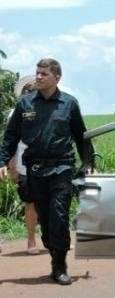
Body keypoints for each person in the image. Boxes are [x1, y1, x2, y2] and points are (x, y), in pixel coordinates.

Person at [0, 58, 93, 285]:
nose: (39, 77)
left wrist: (88, 162)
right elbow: (11, 136)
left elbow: (81, 136)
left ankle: (59, 266)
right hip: (35, 169)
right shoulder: (25, 104)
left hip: (62, 167)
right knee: (46, 220)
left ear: (57, 77)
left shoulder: (69, 104)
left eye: (44, 74)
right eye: (37, 73)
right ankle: (54, 251)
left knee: (59, 216)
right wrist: (2, 161)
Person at [6, 76, 39, 255]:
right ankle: (31, 241)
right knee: (30, 201)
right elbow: (10, 139)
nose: (30, 90)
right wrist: (9, 163)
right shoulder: (15, 112)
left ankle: (57, 239)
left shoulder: (48, 108)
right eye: (27, 88)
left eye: (32, 88)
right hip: (24, 162)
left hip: (50, 161)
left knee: (53, 201)